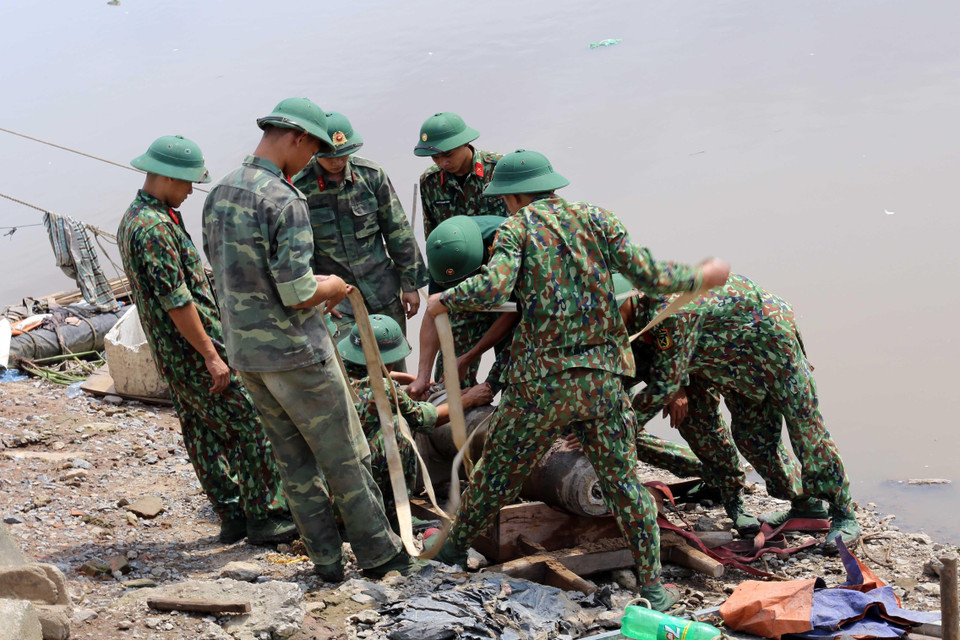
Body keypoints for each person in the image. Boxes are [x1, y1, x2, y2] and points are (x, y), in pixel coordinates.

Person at [424, 149, 731, 611]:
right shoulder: (599, 219)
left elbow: (493, 287)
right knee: (624, 482)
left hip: (541, 384)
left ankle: (449, 551)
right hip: (602, 380)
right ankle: (652, 587)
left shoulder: (517, 228)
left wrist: (444, 300)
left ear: (513, 196)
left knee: (497, 472)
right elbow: (648, 273)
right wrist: (700, 275)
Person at [201, 98, 422, 581]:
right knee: (345, 455)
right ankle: (380, 555)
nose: (312, 161)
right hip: (297, 354)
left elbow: (232, 271)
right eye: (313, 149)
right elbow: (297, 290)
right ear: (297, 138)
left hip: (247, 355)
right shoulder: (285, 199)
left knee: (293, 460)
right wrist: (334, 287)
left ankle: (324, 560)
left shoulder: (220, 192)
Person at [118, 135, 295, 546]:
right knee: (248, 425)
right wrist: (213, 356)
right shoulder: (156, 228)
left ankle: (232, 514)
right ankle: (265, 517)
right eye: (185, 183)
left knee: (202, 432)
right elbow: (178, 302)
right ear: (164, 177)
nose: (189, 191)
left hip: (173, 353)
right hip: (194, 351)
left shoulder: (136, 217)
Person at [630, 274, 859, 552]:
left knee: (805, 431)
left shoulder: (672, 312)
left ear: (630, 297)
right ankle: (806, 505)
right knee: (753, 439)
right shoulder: (639, 316)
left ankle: (843, 513)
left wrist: (617, 430)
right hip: (727, 359)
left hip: (771, 344)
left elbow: (663, 383)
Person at [613, 274, 768, 536]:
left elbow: (675, 344)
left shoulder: (661, 309)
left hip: (688, 365)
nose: (609, 321)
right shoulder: (610, 318)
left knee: (701, 425)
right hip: (647, 360)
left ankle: (732, 495)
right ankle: (708, 473)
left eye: (613, 312)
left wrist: (677, 387)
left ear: (628, 299)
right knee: (619, 427)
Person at [293, 112, 429, 366]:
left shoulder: (371, 176)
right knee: (351, 368)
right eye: (330, 156)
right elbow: (300, 250)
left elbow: (397, 230)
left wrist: (410, 285)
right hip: (337, 301)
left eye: (343, 154)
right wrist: (313, 296)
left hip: (382, 292)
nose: (338, 162)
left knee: (394, 366)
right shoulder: (300, 187)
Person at [336, 314, 493, 521]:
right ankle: (394, 514)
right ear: (390, 359)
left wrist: (418, 380)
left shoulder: (339, 370)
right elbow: (426, 418)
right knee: (399, 436)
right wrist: (469, 399)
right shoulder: (381, 389)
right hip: (359, 467)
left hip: (335, 465)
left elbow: (384, 375)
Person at [407, 215, 519, 399]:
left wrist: (470, 357)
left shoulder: (504, 244)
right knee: (450, 375)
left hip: (506, 299)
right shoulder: (443, 252)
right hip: (464, 298)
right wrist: (422, 376)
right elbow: (434, 310)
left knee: (514, 372)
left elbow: (512, 311)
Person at [413, 111, 507, 237]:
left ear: (465, 143)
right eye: (435, 157)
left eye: (448, 155)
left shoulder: (499, 169)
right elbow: (433, 234)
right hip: (457, 254)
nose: (443, 163)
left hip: (502, 251)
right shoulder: (430, 182)